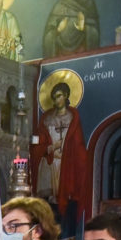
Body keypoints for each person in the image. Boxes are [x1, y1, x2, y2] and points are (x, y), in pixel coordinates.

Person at [31, 82, 88, 224]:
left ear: (67, 95)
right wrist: (49, 148)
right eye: (54, 97)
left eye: (59, 96)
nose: (56, 100)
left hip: (66, 164)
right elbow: (38, 142)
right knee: (49, 201)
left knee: (65, 203)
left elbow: (78, 144)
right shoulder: (47, 118)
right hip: (50, 163)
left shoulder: (73, 117)